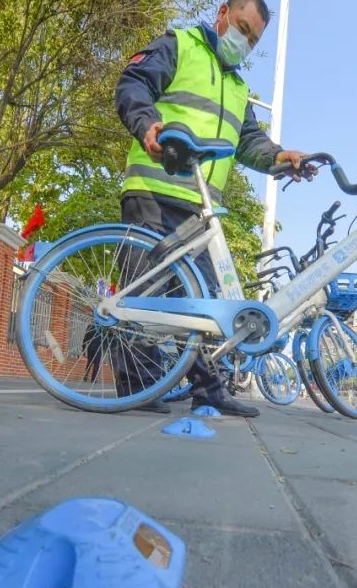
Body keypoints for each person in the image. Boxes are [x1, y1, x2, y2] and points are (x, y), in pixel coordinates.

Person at [113, 0, 314, 417]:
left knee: (206, 302)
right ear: (222, 13)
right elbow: (133, 83)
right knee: (143, 292)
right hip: (153, 189)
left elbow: (250, 144)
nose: (244, 41)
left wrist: (281, 158)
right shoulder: (179, 44)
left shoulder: (239, 88)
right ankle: (137, 385)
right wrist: (146, 122)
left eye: (253, 39)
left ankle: (209, 388)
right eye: (242, 28)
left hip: (201, 210)